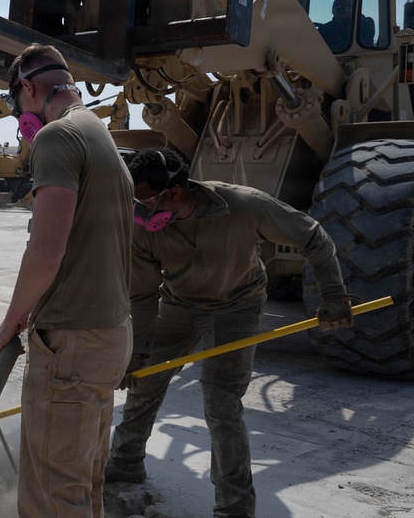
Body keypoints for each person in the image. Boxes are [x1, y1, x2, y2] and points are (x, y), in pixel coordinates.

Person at [106, 147, 355, 518]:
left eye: (144, 202)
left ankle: (234, 506)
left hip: (237, 307)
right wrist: (136, 349)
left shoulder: (242, 206)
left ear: (173, 193)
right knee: (144, 383)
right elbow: (142, 294)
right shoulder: (142, 231)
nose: (138, 212)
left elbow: (313, 237)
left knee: (221, 406)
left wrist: (332, 295)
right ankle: (124, 464)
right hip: (178, 306)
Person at [0, 44, 135, 518]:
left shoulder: (58, 138)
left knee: (51, 496)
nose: (23, 120)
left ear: (28, 88)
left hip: (72, 344)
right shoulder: (99, 134)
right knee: (82, 482)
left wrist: (5, 330)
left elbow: (45, 251)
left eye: (18, 106)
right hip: (109, 335)